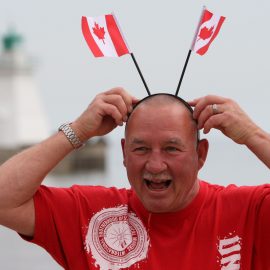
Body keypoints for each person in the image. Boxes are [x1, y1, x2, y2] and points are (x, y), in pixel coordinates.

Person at [0, 87, 269, 270]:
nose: (154, 164)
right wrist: (78, 130)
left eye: (171, 148)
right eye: (140, 149)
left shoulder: (250, 211)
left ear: (200, 155)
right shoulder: (91, 216)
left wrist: (253, 136)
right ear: (124, 154)